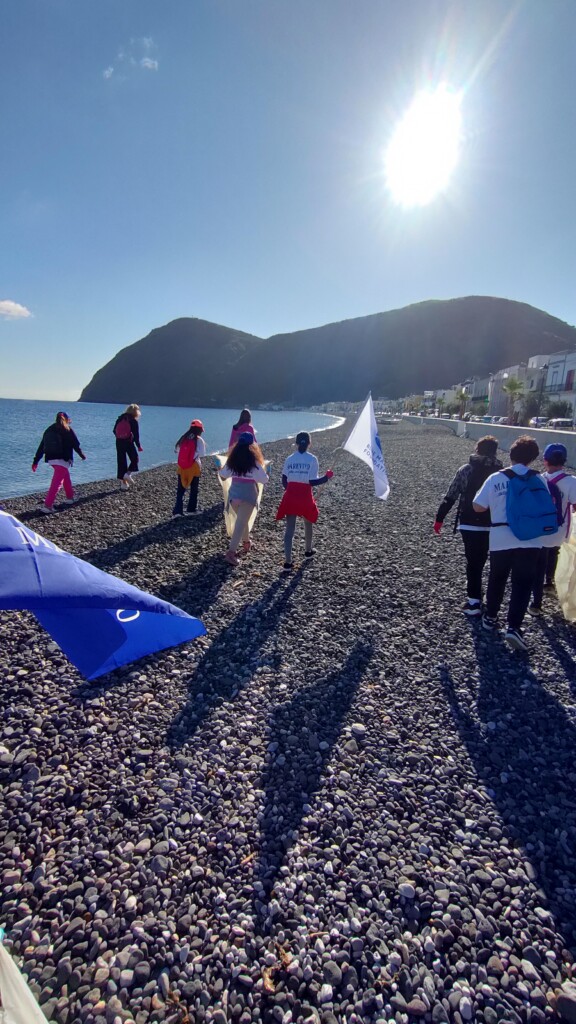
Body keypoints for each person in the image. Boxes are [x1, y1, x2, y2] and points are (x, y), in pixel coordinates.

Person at [473, 435, 553, 652]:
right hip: (531, 539)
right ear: (533, 458)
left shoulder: (496, 478)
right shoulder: (540, 479)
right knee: (522, 583)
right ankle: (514, 627)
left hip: (501, 536)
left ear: (511, 454)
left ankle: (490, 617)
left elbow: (478, 506)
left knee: (497, 578)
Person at [434, 436, 503, 616]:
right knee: (494, 564)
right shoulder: (502, 472)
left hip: (470, 523)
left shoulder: (466, 470)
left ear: (477, 450)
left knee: (474, 563)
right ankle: (492, 602)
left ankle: (474, 602)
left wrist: (439, 519)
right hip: (496, 525)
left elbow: (451, 496)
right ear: (495, 451)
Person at [276, 432, 334, 571]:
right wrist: (326, 478)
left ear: (296, 444)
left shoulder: (289, 459)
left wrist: (290, 490)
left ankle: (288, 563)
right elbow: (312, 481)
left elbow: (284, 479)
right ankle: (308, 551)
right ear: (309, 443)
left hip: (291, 494)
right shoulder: (312, 459)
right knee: (308, 522)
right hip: (305, 495)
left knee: (290, 529)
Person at [530, 442, 576, 615]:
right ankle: (549, 582)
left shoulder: (538, 479)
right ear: (564, 461)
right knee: (553, 552)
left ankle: (536, 603)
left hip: (539, 530)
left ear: (545, 461)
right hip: (559, 529)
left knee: (538, 562)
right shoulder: (572, 482)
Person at [218, 433, 269, 565]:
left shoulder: (232, 460)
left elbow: (223, 476)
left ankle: (246, 543)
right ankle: (231, 553)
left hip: (234, 495)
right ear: (252, 446)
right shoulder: (255, 463)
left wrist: (219, 468)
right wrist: (267, 471)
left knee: (242, 521)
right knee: (240, 523)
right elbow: (264, 480)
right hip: (248, 495)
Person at [32, 411, 87, 514]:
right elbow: (76, 444)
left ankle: (70, 498)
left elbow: (42, 446)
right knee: (57, 483)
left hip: (51, 458)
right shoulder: (68, 429)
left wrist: (36, 461)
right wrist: (82, 455)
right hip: (63, 459)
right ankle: (47, 506)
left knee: (65, 476)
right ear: (67, 419)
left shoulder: (49, 430)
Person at [173, 419, 206, 517]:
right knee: (194, 489)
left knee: (181, 489)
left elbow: (177, 450)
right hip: (194, 467)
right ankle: (191, 509)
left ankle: (177, 511)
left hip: (181, 467)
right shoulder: (198, 440)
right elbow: (202, 454)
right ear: (200, 429)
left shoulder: (183, 438)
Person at [114, 404, 142, 490]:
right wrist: (138, 446)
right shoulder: (133, 420)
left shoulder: (120, 418)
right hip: (128, 442)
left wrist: (120, 436)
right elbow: (136, 435)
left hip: (119, 442)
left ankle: (123, 484)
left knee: (121, 462)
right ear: (136, 412)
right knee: (135, 459)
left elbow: (114, 430)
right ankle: (127, 474)